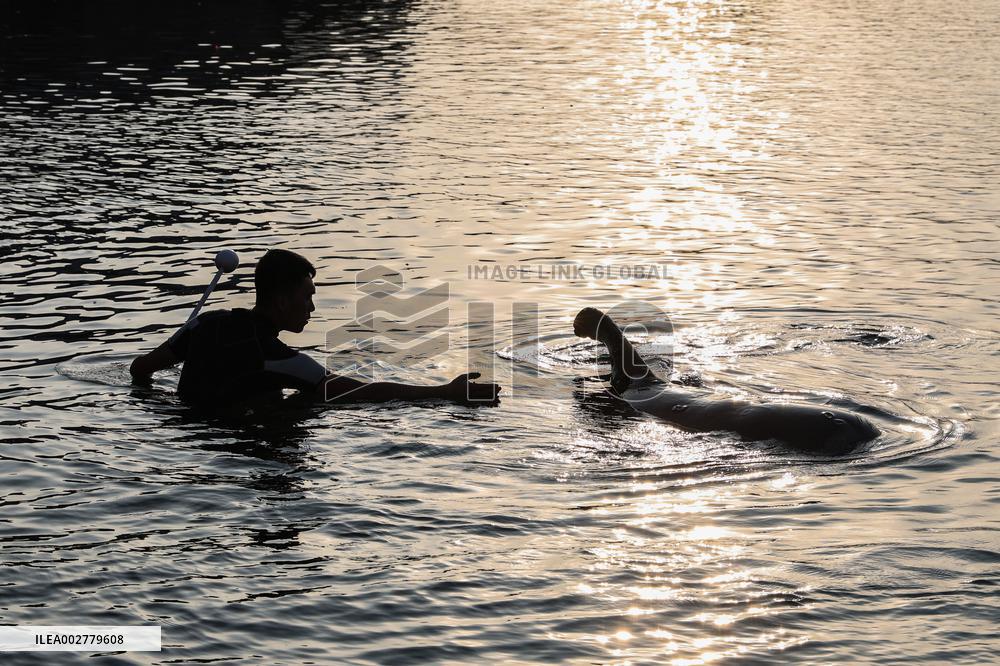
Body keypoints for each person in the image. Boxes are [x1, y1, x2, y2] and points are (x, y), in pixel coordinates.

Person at [130, 249, 500, 408]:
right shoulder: (284, 361)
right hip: (238, 440)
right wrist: (444, 392)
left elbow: (139, 370)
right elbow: (357, 392)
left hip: (186, 440)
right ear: (280, 301)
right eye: (307, 297)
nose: (311, 307)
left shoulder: (203, 324)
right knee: (308, 403)